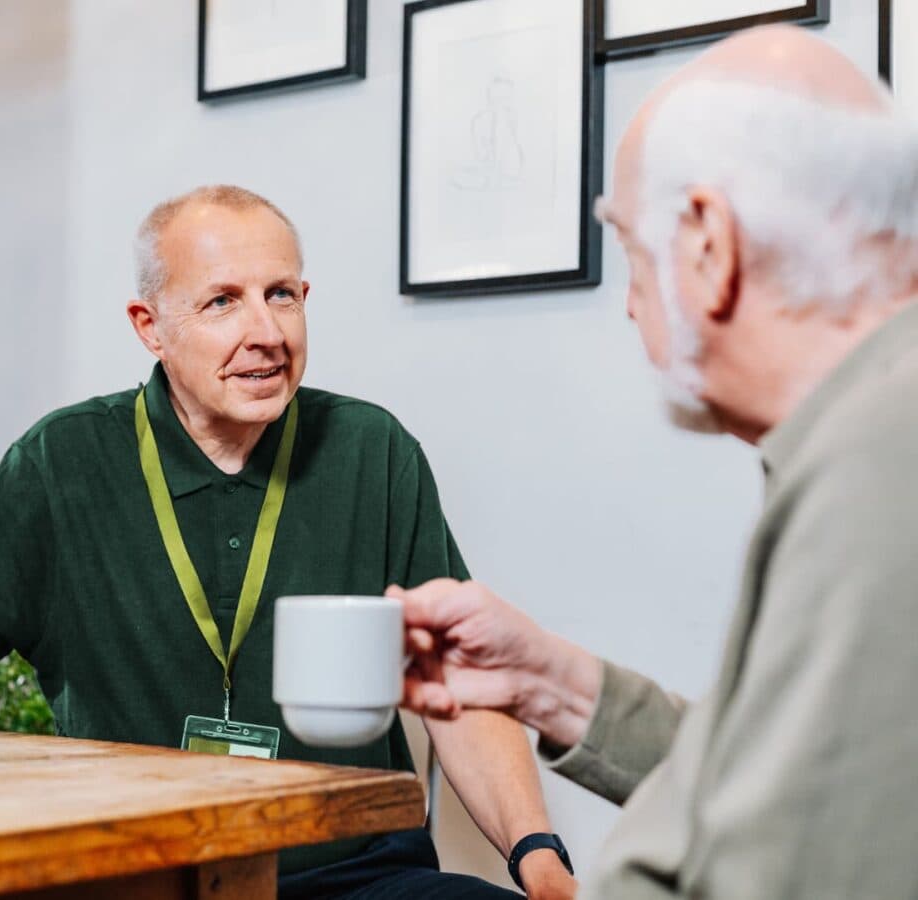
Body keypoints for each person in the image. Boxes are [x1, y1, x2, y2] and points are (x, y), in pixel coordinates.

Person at [0, 186, 577, 899]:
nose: (267, 331)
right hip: (145, 880)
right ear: (151, 327)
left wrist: (541, 861)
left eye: (283, 295)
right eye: (222, 302)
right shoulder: (59, 463)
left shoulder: (373, 450)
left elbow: (459, 690)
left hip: (357, 874)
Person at [393, 24, 918, 899]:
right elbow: (781, 783)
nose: (633, 306)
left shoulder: (875, 474)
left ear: (709, 245)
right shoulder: (873, 425)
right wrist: (546, 682)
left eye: (635, 253)